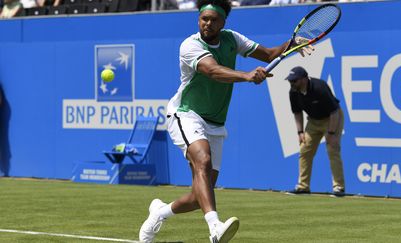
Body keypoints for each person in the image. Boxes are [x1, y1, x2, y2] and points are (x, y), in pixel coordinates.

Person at [138, 0, 313, 242]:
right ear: (198, 19)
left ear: (223, 22)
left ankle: (160, 212)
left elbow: (270, 54)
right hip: (186, 114)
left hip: (216, 123)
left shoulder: (232, 39)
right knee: (203, 160)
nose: (207, 23)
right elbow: (212, 70)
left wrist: (290, 45)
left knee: (199, 195)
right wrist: (247, 75)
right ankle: (215, 228)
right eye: (203, 19)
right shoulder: (190, 45)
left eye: (213, 20)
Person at [286, 66, 345, 197]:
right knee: (304, 150)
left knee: (332, 149)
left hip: (332, 119)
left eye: (294, 80)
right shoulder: (293, 92)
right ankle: (303, 187)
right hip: (313, 121)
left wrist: (330, 133)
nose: (292, 83)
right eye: (290, 81)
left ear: (304, 79)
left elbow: (334, 112)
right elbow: (297, 112)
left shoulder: (320, 87)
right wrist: (300, 132)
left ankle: (339, 188)